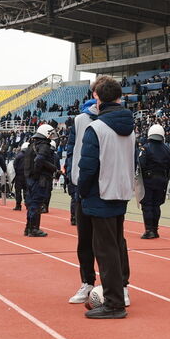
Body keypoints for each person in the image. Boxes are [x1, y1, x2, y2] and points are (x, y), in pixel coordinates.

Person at [75, 76, 136, 319]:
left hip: (99, 194)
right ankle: (119, 294)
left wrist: (82, 191)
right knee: (116, 245)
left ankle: (114, 303)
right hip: (120, 192)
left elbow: (87, 167)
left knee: (105, 250)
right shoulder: (129, 128)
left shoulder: (96, 128)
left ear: (98, 99)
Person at [66, 87, 102, 305]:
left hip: (106, 188)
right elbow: (72, 149)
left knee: (112, 242)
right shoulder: (80, 120)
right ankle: (87, 281)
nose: (97, 98)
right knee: (84, 240)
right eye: (95, 94)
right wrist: (73, 179)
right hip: (83, 187)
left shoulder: (114, 120)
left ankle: (118, 285)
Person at [137, 124, 170, 239]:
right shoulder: (167, 149)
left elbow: (141, 164)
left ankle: (149, 230)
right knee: (156, 205)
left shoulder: (146, 148)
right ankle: (155, 229)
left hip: (148, 180)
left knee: (147, 205)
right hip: (162, 181)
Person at [24, 124, 58, 237]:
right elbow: (39, 160)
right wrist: (52, 169)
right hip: (39, 179)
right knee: (36, 203)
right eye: (50, 133)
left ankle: (28, 228)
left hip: (29, 179)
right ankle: (34, 229)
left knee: (31, 203)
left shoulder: (31, 145)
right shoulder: (44, 146)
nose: (52, 136)